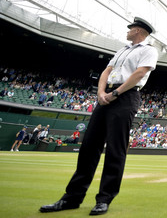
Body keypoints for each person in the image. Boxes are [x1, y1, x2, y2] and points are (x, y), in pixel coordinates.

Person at [40, 17, 158, 215]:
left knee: (116, 149)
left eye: (131, 29)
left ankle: (104, 199)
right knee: (88, 148)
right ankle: (72, 198)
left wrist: (115, 93)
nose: (127, 31)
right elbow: (106, 71)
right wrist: (101, 93)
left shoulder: (148, 50)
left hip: (126, 97)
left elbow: (139, 74)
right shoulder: (122, 50)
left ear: (139, 31)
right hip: (106, 97)